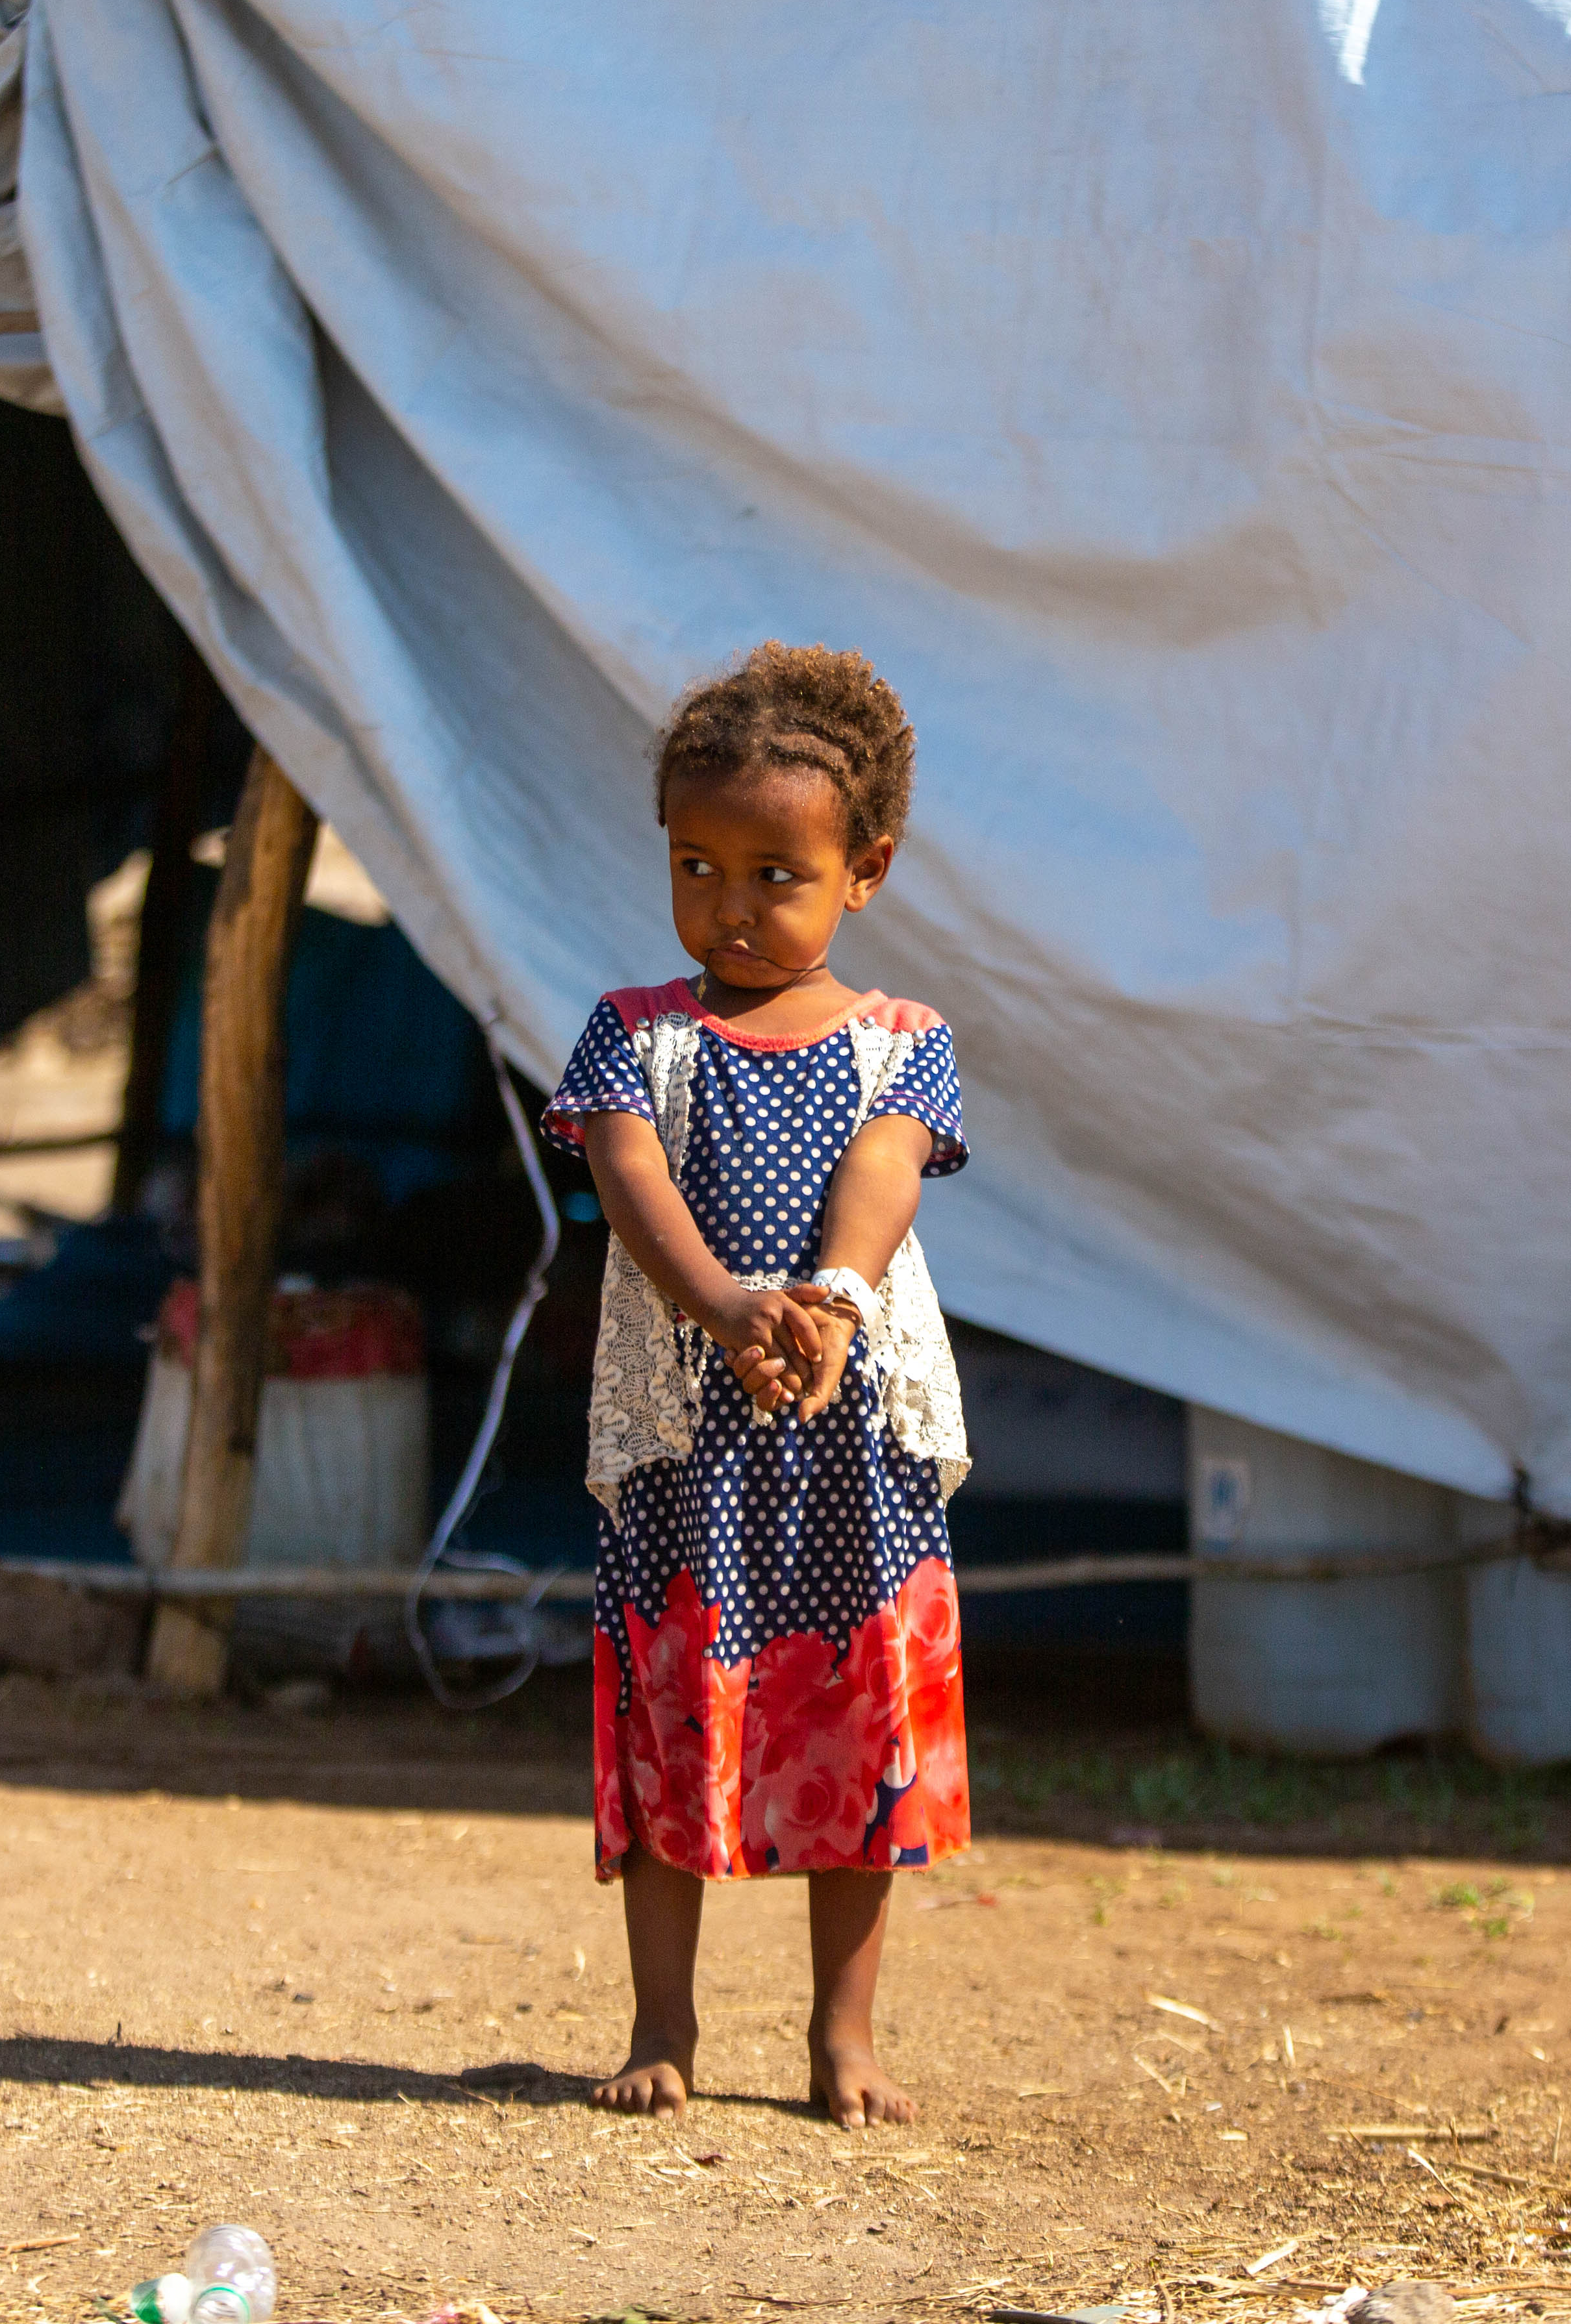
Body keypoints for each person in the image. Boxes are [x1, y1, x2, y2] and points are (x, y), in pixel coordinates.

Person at [540, 641, 974, 2129]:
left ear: (866, 870)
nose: (731, 905)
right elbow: (626, 1174)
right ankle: (665, 2023)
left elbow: (884, 1170)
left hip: (848, 1443)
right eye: (697, 865)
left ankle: (841, 2038)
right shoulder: (633, 1035)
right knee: (676, 1716)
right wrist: (726, 1306)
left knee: (856, 1729)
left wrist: (832, 1305)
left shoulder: (902, 1044)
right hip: (691, 1455)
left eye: (775, 875)